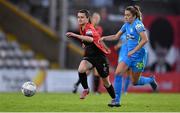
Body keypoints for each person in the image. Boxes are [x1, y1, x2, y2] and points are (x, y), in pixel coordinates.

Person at [99, 5, 158, 107]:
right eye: (125, 15)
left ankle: (151, 80)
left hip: (139, 56)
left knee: (135, 82)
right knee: (118, 73)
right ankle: (116, 100)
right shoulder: (126, 25)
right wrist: (104, 38)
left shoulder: (138, 25)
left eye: (128, 15)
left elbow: (145, 40)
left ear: (134, 16)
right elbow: (116, 36)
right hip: (129, 55)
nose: (125, 17)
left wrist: (134, 50)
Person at [66, 9, 115, 102]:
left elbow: (91, 39)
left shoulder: (89, 28)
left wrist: (75, 35)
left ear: (87, 18)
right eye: (78, 17)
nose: (79, 19)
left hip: (100, 57)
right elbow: (89, 40)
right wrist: (84, 43)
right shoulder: (82, 27)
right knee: (81, 69)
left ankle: (114, 99)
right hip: (90, 56)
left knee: (106, 82)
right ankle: (86, 89)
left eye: (82, 17)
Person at [72, 12, 103, 94]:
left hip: (96, 52)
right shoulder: (86, 26)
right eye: (95, 18)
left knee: (96, 71)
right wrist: (83, 42)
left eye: (98, 18)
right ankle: (77, 85)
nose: (96, 20)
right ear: (91, 18)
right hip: (89, 52)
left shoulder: (98, 28)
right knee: (86, 72)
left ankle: (95, 91)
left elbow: (96, 39)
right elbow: (85, 37)